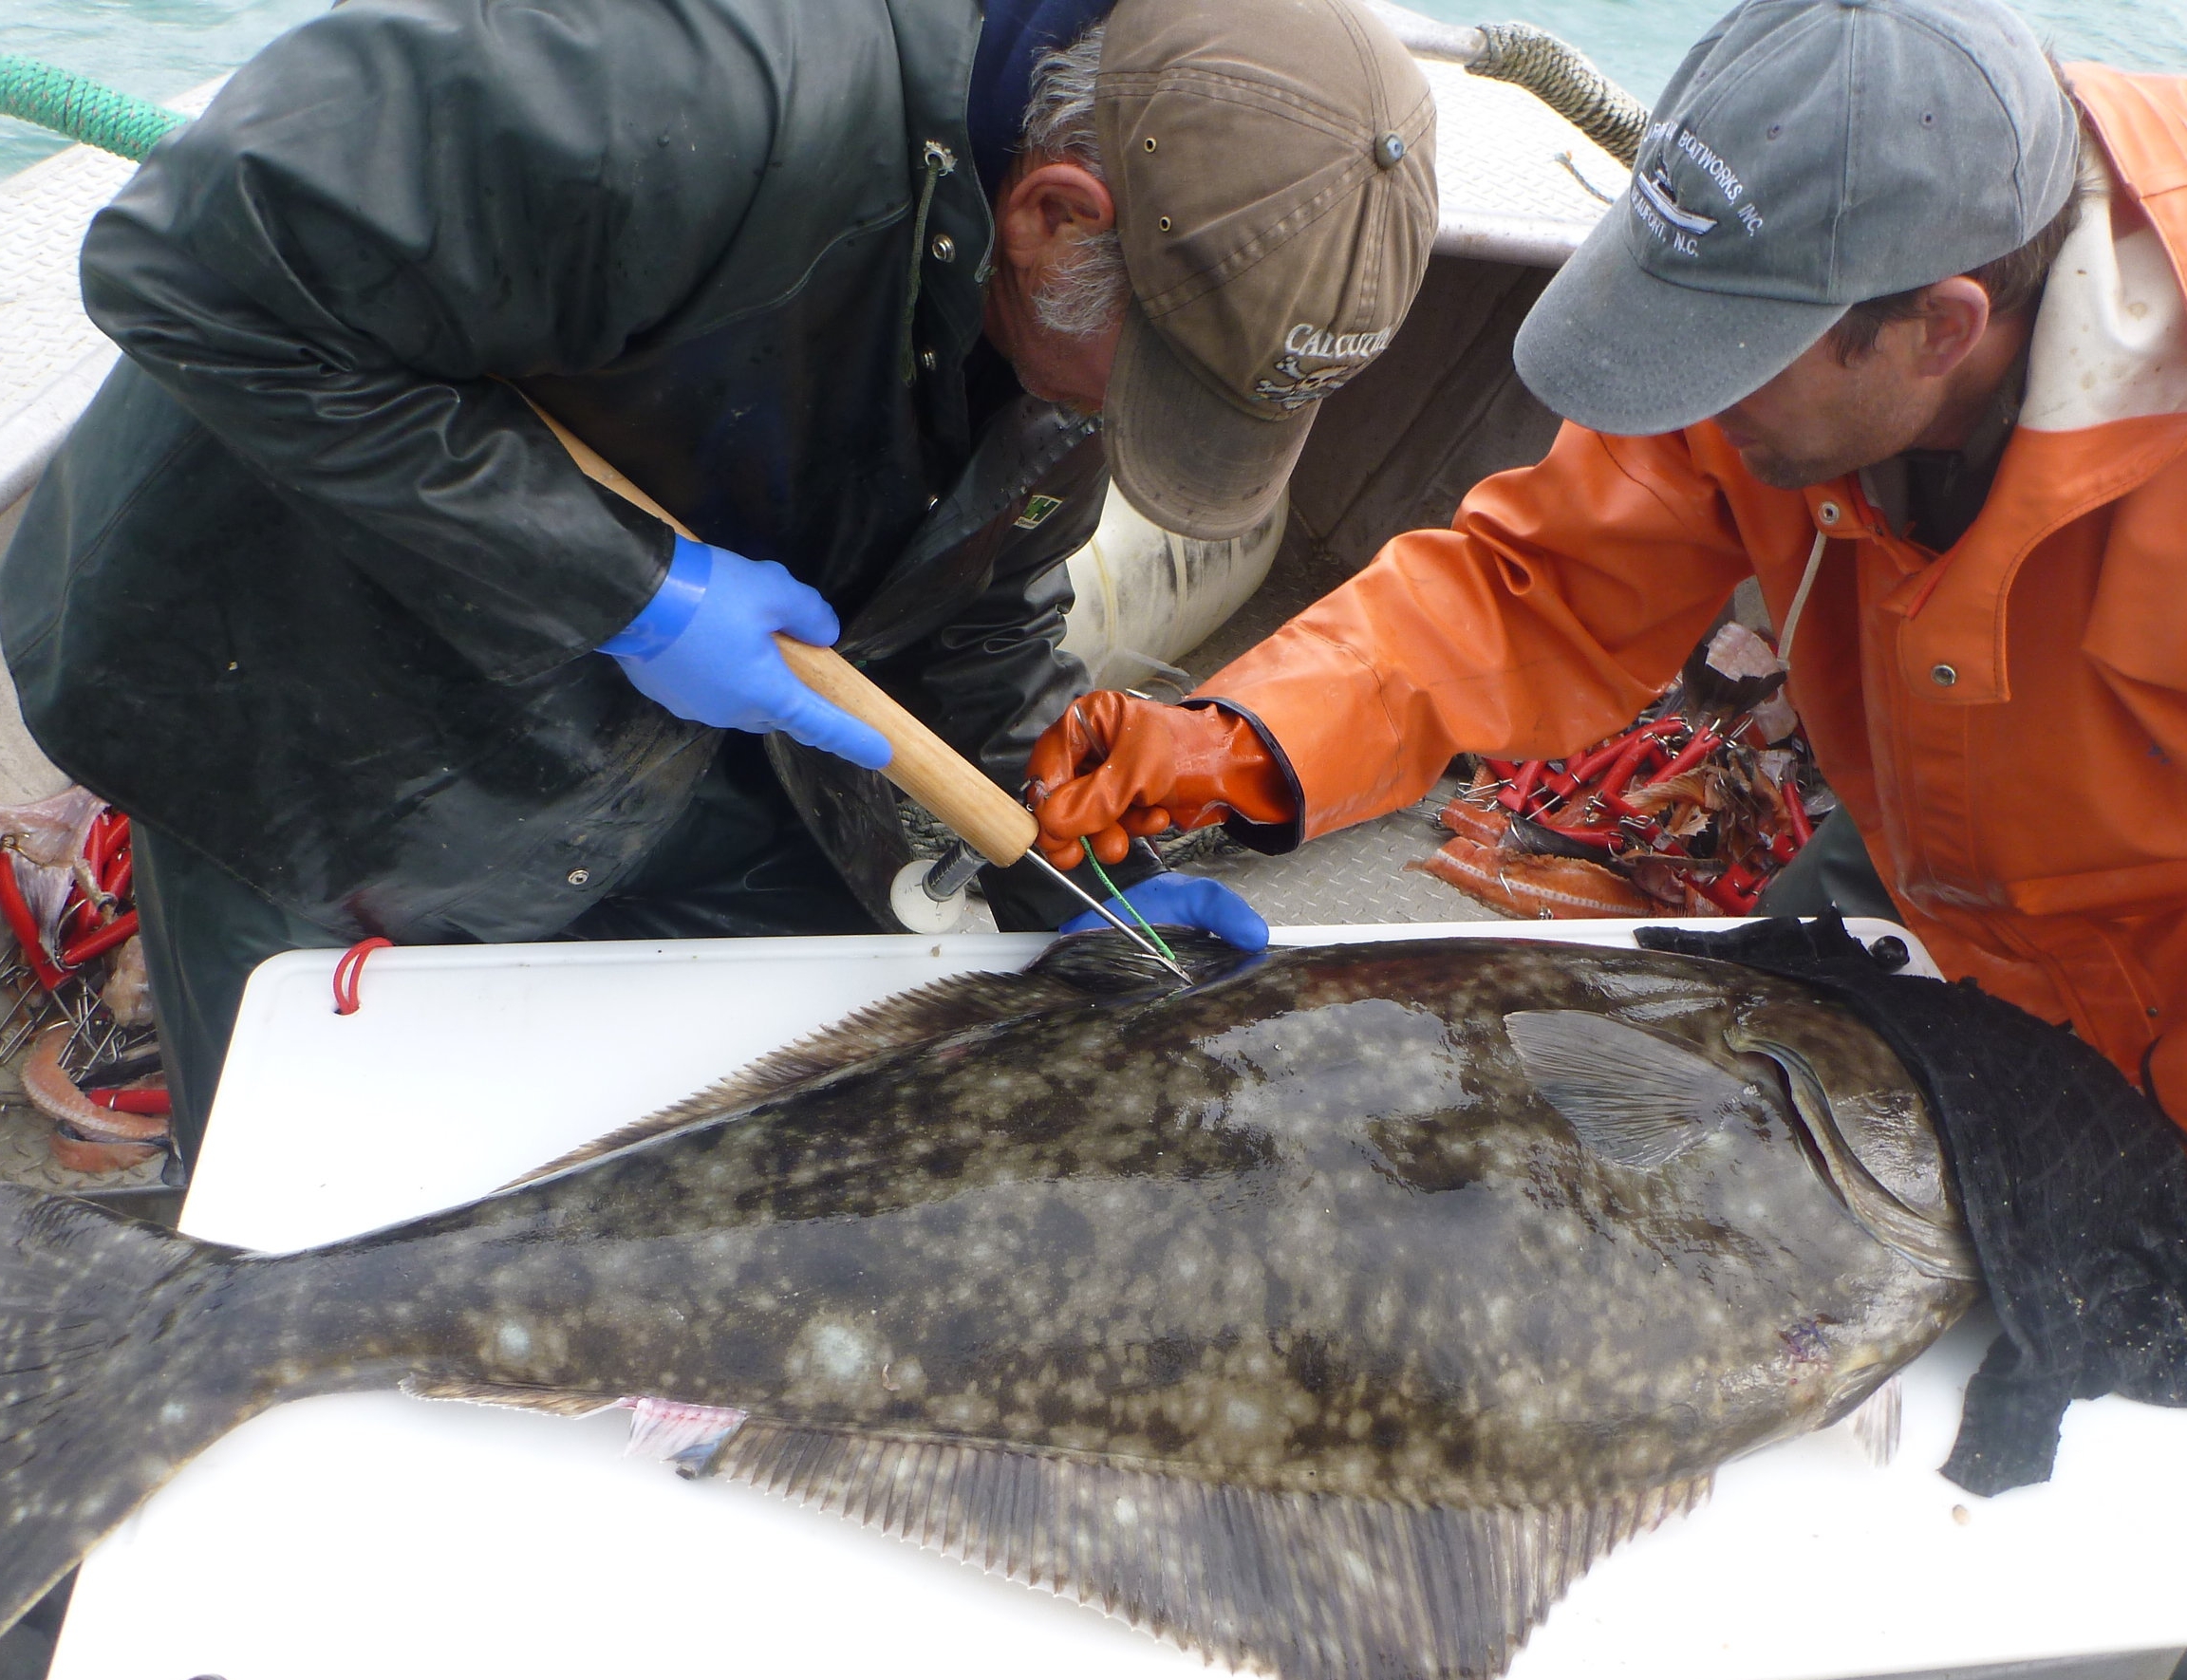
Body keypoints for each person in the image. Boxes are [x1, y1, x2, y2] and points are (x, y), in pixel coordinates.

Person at [0, 0, 1437, 1166]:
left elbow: (985, 589)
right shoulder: (680, 78)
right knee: (322, 1195)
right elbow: (187, 266)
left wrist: (1058, 859)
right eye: (1154, 390)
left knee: (810, 1140)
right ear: (1056, 214)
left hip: (669, 712)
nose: (1134, 436)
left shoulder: (1073, 284)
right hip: (306, 674)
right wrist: (636, 588)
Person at [1030, 0, 2187, 1183]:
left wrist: (2163, 1161)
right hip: (1928, 850)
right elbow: (1536, 584)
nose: (1688, 397)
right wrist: (1239, 741)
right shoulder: (1786, 338)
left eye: (1732, 360)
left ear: (1937, 331)